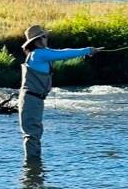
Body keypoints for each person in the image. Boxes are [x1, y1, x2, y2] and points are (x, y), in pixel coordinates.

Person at [18, 24, 102, 161]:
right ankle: (31, 169)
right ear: (38, 40)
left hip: (34, 99)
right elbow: (63, 54)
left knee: (35, 133)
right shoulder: (39, 54)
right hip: (31, 100)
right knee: (32, 135)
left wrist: (87, 51)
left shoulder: (40, 53)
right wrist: (88, 50)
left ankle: (34, 171)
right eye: (45, 36)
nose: (47, 38)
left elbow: (63, 52)